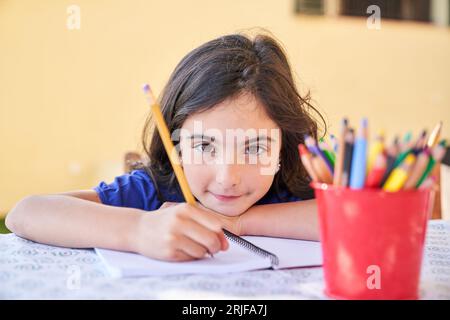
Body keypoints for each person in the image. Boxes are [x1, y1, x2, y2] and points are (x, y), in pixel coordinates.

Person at [6, 33, 326, 262]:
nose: (228, 176)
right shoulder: (155, 190)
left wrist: (238, 223)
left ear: (283, 144)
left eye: (255, 148)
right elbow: (27, 213)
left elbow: (359, 218)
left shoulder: (294, 182)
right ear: (177, 143)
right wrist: (138, 229)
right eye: (204, 145)